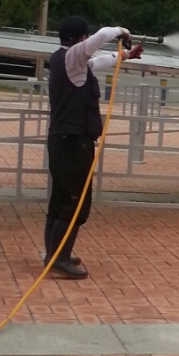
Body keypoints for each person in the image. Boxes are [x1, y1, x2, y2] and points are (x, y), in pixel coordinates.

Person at [44, 16, 142, 279]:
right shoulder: (73, 56)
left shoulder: (68, 60)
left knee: (61, 199)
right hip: (73, 143)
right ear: (80, 39)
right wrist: (122, 30)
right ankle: (59, 258)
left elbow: (99, 61)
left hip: (63, 141)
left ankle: (53, 253)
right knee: (76, 202)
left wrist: (126, 55)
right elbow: (102, 36)